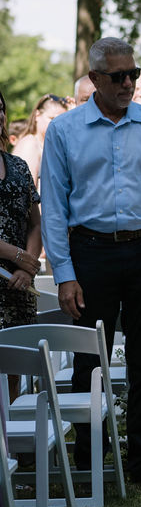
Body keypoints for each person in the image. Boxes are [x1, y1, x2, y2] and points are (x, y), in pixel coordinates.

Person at [40, 37, 141, 492]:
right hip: (91, 253)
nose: (129, 82)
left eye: (134, 73)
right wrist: (65, 275)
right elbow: (54, 209)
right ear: (94, 80)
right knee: (90, 363)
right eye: (118, 76)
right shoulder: (65, 131)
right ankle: (88, 466)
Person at [0, 86, 42, 329]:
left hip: (20, 284)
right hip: (14, 266)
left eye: (1, 109)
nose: (0, 116)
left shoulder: (18, 166)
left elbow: (35, 224)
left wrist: (28, 269)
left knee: (22, 359)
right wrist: (17, 255)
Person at [13, 94, 70, 187]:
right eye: (52, 118)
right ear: (37, 115)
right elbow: (26, 191)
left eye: (62, 120)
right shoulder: (30, 143)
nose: (57, 124)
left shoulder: (52, 145)